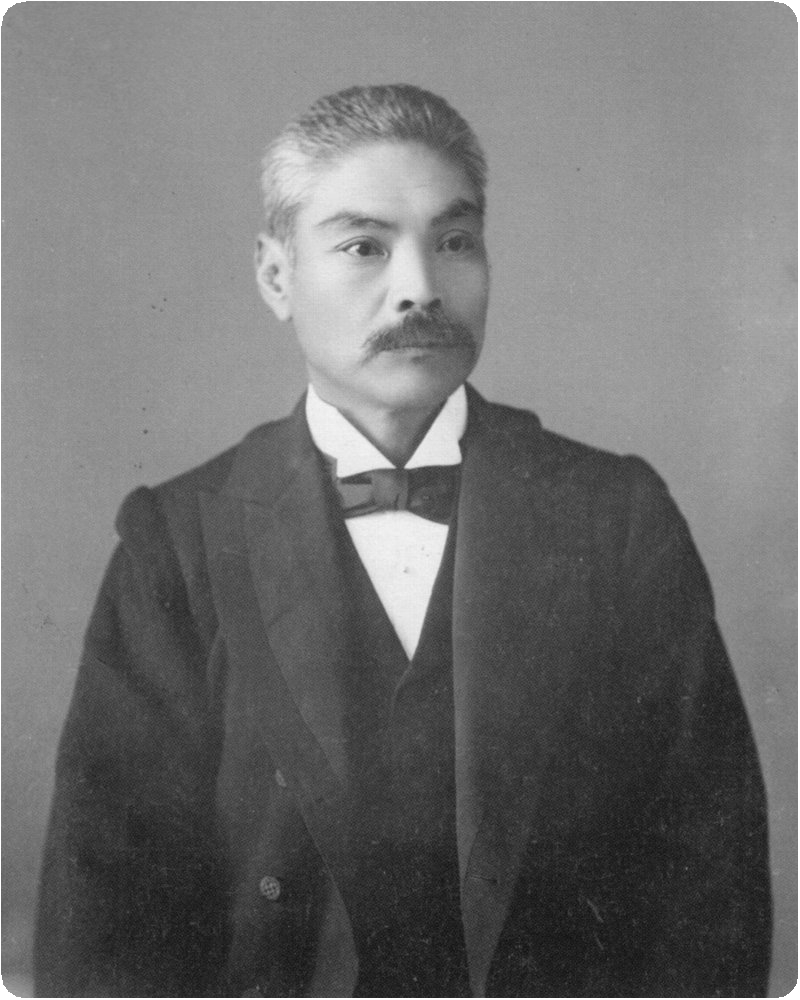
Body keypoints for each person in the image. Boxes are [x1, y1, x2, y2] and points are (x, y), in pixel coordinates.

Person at [35, 84, 772, 998]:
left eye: (454, 241)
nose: (421, 286)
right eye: (364, 246)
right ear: (276, 276)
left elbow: (709, 887)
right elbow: (103, 921)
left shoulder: (614, 517)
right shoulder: (179, 539)